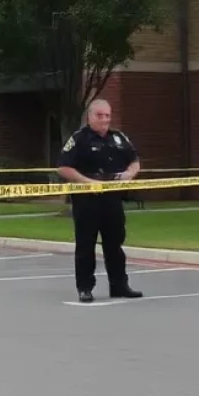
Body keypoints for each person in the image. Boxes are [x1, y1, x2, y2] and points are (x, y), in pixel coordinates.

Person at [56, 98, 144, 303]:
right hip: (87, 200)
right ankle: (85, 288)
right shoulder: (79, 139)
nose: (105, 120)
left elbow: (135, 161)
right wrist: (87, 182)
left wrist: (129, 175)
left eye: (108, 115)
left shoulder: (118, 138)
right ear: (90, 116)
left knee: (115, 244)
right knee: (86, 245)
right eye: (100, 115)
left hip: (112, 200)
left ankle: (119, 285)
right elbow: (63, 167)